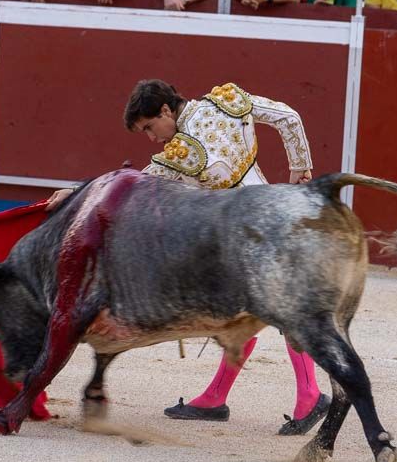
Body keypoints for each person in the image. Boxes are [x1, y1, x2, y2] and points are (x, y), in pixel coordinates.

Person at [127, 79, 327, 434]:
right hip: (274, 217)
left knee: (267, 313)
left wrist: (80, 193)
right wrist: (300, 168)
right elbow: (289, 118)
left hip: (247, 237)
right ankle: (217, 397)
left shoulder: (180, 154)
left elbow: (134, 189)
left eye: (148, 127)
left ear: (165, 110)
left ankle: (309, 395)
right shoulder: (226, 102)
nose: (151, 137)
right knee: (243, 315)